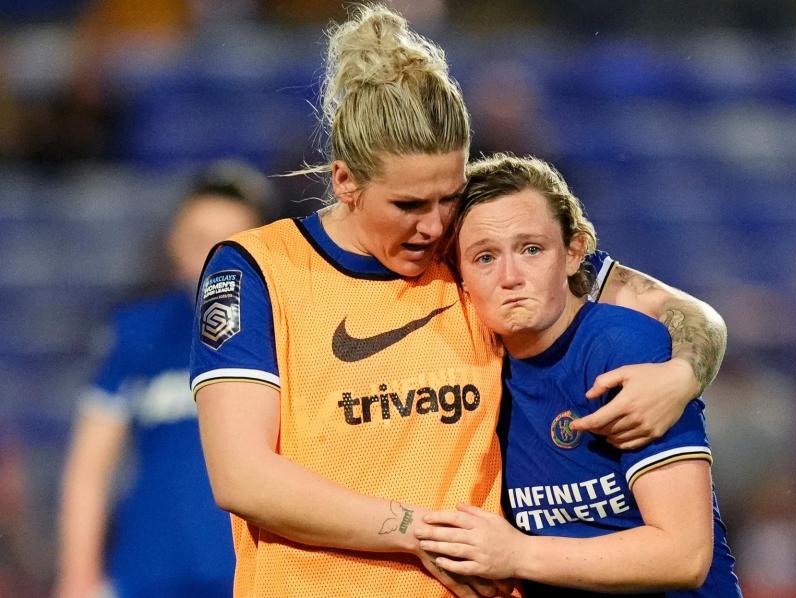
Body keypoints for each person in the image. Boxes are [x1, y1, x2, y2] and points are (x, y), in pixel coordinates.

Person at [189, 5, 726, 597]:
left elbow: (687, 314)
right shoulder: (259, 269)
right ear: (345, 181)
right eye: (409, 205)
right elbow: (242, 476)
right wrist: (420, 532)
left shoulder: (477, 251)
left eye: (449, 196)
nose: (434, 225)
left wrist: (683, 373)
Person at [417, 153, 742, 597]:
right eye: (485, 257)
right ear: (460, 275)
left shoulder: (622, 347)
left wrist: (516, 554)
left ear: (573, 253)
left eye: (531, 249)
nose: (510, 276)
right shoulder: (473, 371)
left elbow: (683, 555)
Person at [56, 161, 274, 598]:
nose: (213, 258)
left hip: (252, 577)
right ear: (174, 243)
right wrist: (78, 576)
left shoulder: (285, 331)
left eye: (230, 243)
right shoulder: (137, 331)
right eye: (198, 241)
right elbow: (89, 467)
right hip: (147, 576)